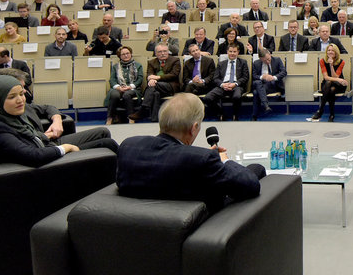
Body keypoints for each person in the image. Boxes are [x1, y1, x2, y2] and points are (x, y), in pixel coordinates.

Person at [115, 93, 263, 210]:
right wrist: (224, 160)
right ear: (194, 128)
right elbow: (251, 186)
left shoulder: (128, 146)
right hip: (201, 224)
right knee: (256, 169)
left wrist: (202, 156)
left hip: (140, 222)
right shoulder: (202, 160)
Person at [0, 75, 117, 168]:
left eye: (22, 94)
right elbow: (33, 156)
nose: (20, 100)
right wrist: (66, 148)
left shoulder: (9, 115)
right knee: (107, 143)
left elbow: (30, 134)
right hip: (49, 160)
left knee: (103, 134)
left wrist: (49, 131)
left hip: (45, 143)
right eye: (12, 97)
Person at [204, 44, 249, 121]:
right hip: (222, 85)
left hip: (236, 85)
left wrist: (235, 84)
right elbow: (215, 78)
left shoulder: (243, 63)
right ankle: (221, 113)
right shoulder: (221, 63)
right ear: (227, 52)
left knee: (237, 96)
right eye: (230, 51)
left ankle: (235, 115)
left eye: (234, 51)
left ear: (238, 52)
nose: (232, 53)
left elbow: (245, 77)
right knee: (207, 98)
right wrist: (222, 84)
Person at [105, 46, 144, 125]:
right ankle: (110, 117)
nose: (126, 55)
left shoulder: (138, 65)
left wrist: (130, 87)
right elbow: (112, 80)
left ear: (131, 54)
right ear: (120, 56)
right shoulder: (115, 66)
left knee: (127, 94)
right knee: (114, 94)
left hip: (133, 89)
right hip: (119, 88)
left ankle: (131, 117)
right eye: (123, 54)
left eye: (127, 53)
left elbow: (140, 79)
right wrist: (118, 87)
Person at [309, 44, 348, 122]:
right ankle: (331, 114)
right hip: (328, 84)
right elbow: (326, 77)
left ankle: (320, 110)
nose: (330, 52)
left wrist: (331, 66)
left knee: (332, 87)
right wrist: (339, 80)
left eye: (332, 50)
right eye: (329, 50)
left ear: (336, 52)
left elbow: (335, 76)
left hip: (338, 85)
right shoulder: (322, 61)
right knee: (330, 87)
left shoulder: (341, 62)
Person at [251, 48, 286, 121]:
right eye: (264, 60)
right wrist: (262, 77)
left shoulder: (277, 60)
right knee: (258, 82)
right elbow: (254, 76)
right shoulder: (256, 63)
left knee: (256, 92)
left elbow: (284, 72)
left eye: (268, 59)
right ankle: (266, 105)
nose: (267, 62)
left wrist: (273, 77)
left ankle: (255, 115)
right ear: (260, 59)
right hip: (261, 84)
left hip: (272, 84)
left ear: (270, 54)